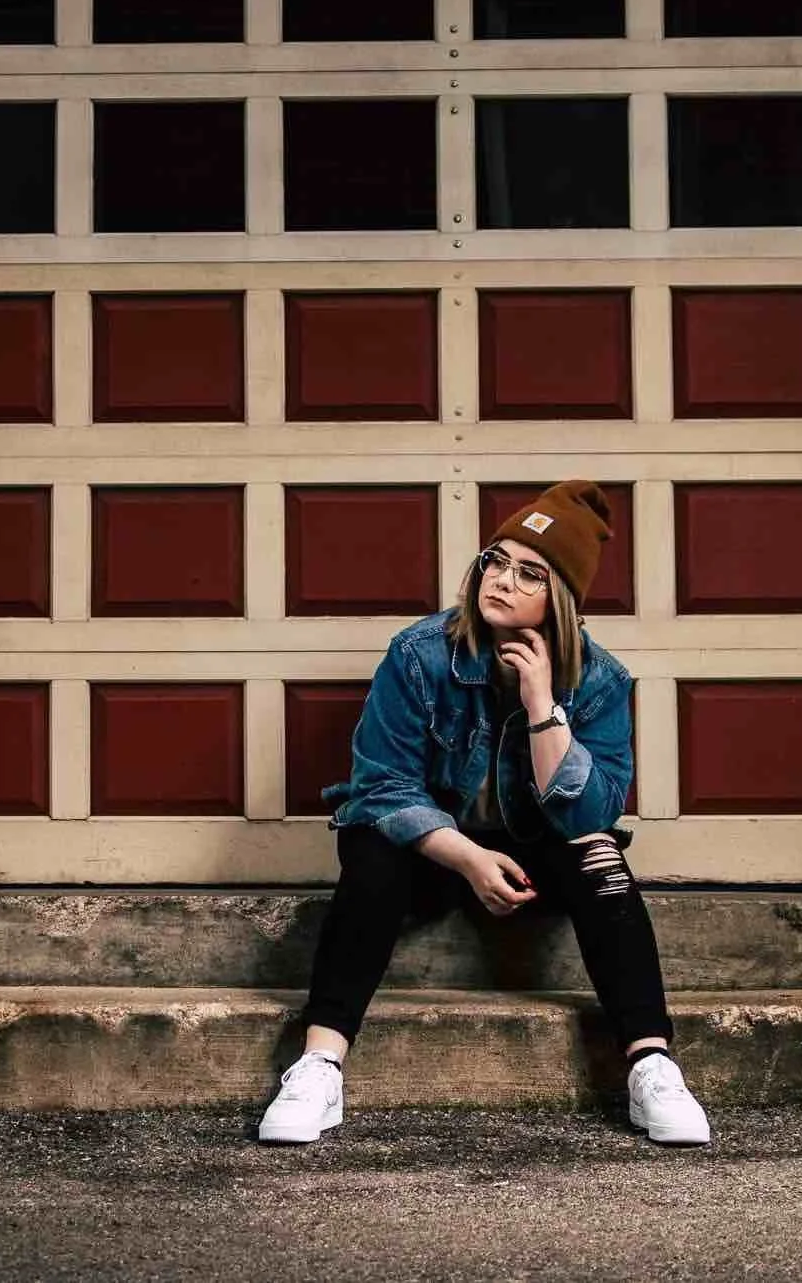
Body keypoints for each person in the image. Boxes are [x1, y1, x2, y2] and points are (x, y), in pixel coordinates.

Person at [257, 478, 711, 1147]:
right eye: (493, 561)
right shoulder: (420, 655)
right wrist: (468, 858)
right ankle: (319, 1063)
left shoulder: (602, 681)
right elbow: (381, 786)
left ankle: (651, 1062)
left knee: (602, 857)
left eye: (528, 572)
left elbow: (592, 809)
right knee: (370, 845)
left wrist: (542, 705)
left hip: (537, 857)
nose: (501, 579)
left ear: (559, 598)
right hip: (438, 856)